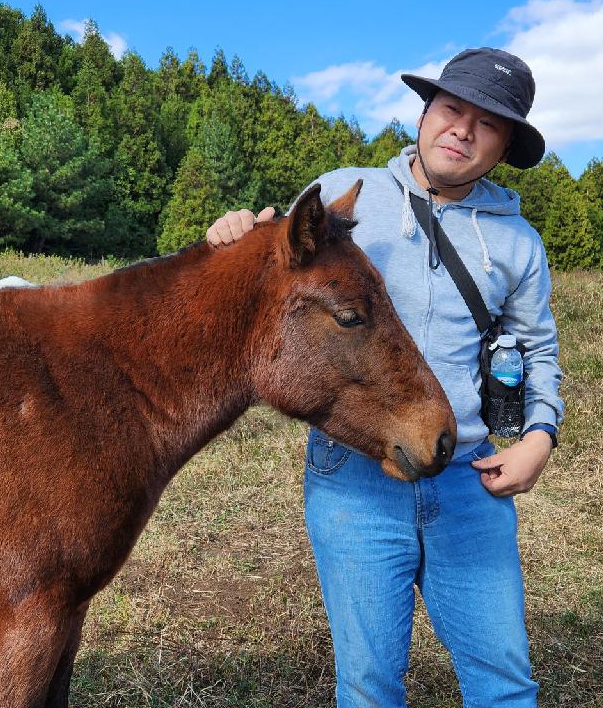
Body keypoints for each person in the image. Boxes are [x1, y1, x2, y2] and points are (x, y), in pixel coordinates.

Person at [206, 48, 563, 707]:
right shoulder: (349, 192)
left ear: (505, 144)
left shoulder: (519, 245)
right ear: (426, 114)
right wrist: (233, 233)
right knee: (369, 687)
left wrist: (539, 436)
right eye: (452, 109)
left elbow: (539, 353)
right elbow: (274, 270)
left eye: (488, 124)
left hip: (469, 483)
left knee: (505, 685)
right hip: (355, 482)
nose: (463, 129)